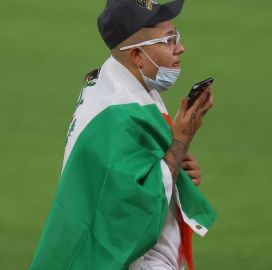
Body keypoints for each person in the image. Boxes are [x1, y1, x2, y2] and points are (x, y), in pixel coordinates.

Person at [29, 0, 216, 269]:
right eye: (168, 40)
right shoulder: (118, 116)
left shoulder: (117, 80)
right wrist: (181, 140)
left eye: (177, 36)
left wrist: (178, 166)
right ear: (137, 55)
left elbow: (136, 172)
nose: (180, 47)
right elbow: (131, 211)